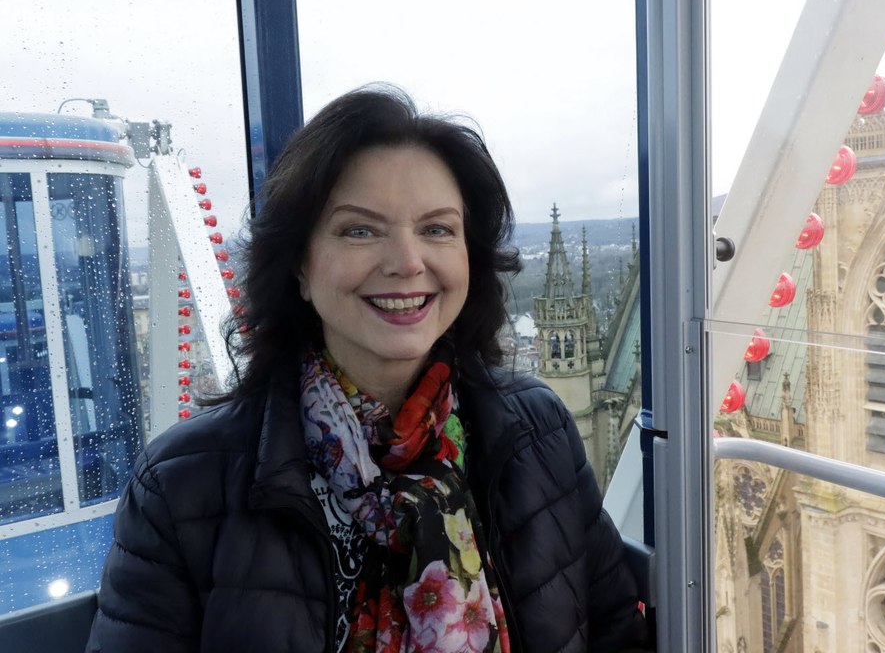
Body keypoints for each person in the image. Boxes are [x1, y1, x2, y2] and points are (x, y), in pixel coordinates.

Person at [86, 86, 647, 653]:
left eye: (436, 229)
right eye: (360, 229)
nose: (406, 262)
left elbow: (617, 633)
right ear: (299, 266)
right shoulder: (182, 486)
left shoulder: (537, 432)